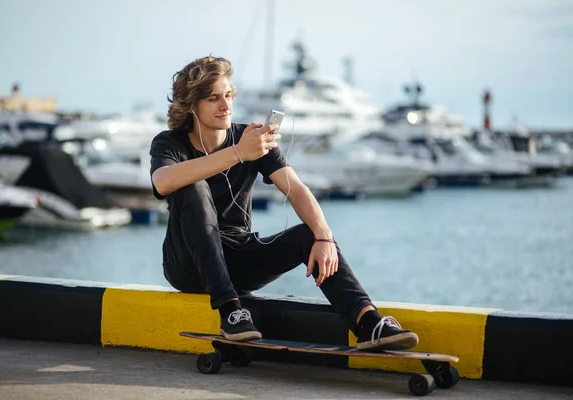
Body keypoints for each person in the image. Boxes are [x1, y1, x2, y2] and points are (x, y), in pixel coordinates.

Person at [149, 56, 419, 351]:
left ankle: (367, 322)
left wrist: (323, 235)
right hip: (187, 266)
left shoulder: (250, 139)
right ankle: (231, 313)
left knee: (309, 234)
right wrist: (239, 153)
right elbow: (163, 182)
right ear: (191, 105)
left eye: (228, 95)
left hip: (238, 260)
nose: (225, 106)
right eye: (214, 99)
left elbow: (297, 189)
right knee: (192, 186)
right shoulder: (171, 143)